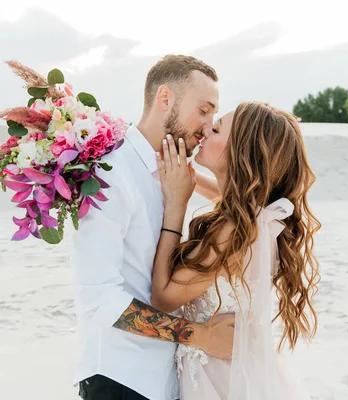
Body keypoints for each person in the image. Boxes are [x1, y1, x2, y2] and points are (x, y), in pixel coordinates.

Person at [69, 54, 235, 400]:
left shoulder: (175, 173)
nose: (207, 126)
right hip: (119, 380)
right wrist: (200, 336)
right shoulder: (109, 177)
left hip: (168, 379)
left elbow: (247, 203)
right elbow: (100, 300)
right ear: (165, 99)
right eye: (203, 111)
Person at [151, 101, 321, 399]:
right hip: (240, 373)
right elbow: (227, 192)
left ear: (239, 154)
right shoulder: (257, 215)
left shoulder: (233, 230)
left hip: (220, 380)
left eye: (215, 129)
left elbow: (163, 298)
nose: (205, 129)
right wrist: (190, 179)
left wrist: (176, 204)